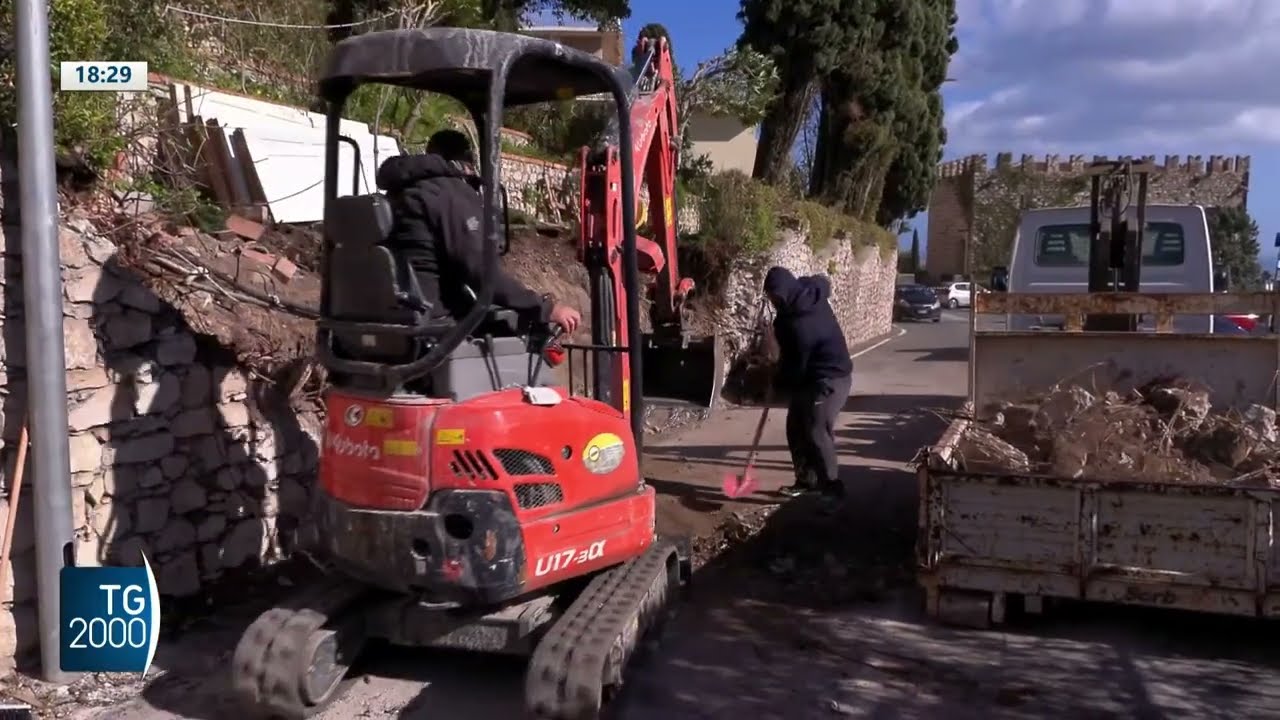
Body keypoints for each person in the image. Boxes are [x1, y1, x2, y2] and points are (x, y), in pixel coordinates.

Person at [375, 129, 581, 333]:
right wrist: (545, 309)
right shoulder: (449, 193)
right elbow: (481, 273)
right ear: (465, 160)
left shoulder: (399, 192)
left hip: (395, 313)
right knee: (518, 332)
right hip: (435, 321)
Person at [763, 266, 853, 499]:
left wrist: (777, 381)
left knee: (816, 430)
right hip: (811, 373)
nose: (773, 302)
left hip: (831, 377)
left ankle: (833, 490)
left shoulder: (799, 326)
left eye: (775, 297)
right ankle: (807, 480)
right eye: (770, 296)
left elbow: (795, 367)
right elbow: (820, 280)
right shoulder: (805, 290)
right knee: (795, 427)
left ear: (784, 293)